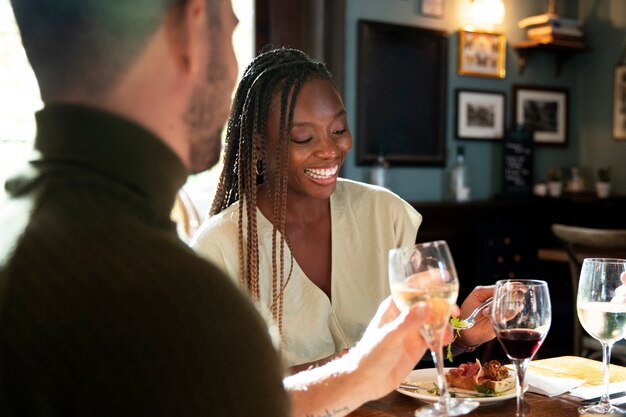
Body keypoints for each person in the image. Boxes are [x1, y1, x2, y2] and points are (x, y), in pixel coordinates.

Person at [0, 1, 448, 417]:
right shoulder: (171, 288)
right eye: (231, 32)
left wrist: (363, 371)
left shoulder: (27, 240)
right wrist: (356, 373)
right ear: (194, 27)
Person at [191, 47, 495, 372]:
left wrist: (461, 336)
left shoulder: (385, 213)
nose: (331, 150)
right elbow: (218, 387)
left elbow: (409, 346)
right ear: (259, 146)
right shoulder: (218, 249)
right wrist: (339, 372)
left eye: (338, 130)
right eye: (304, 138)